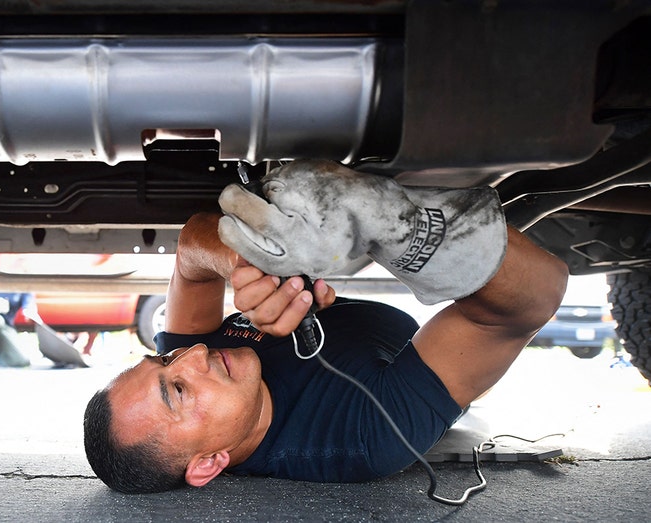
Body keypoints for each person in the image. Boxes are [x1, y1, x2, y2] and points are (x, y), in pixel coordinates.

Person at [83, 160, 569, 494]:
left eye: (163, 359)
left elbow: (191, 248)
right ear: (209, 463)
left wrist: (247, 264)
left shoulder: (203, 361)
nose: (192, 356)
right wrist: (401, 225)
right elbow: (528, 303)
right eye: (178, 392)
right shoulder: (364, 437)